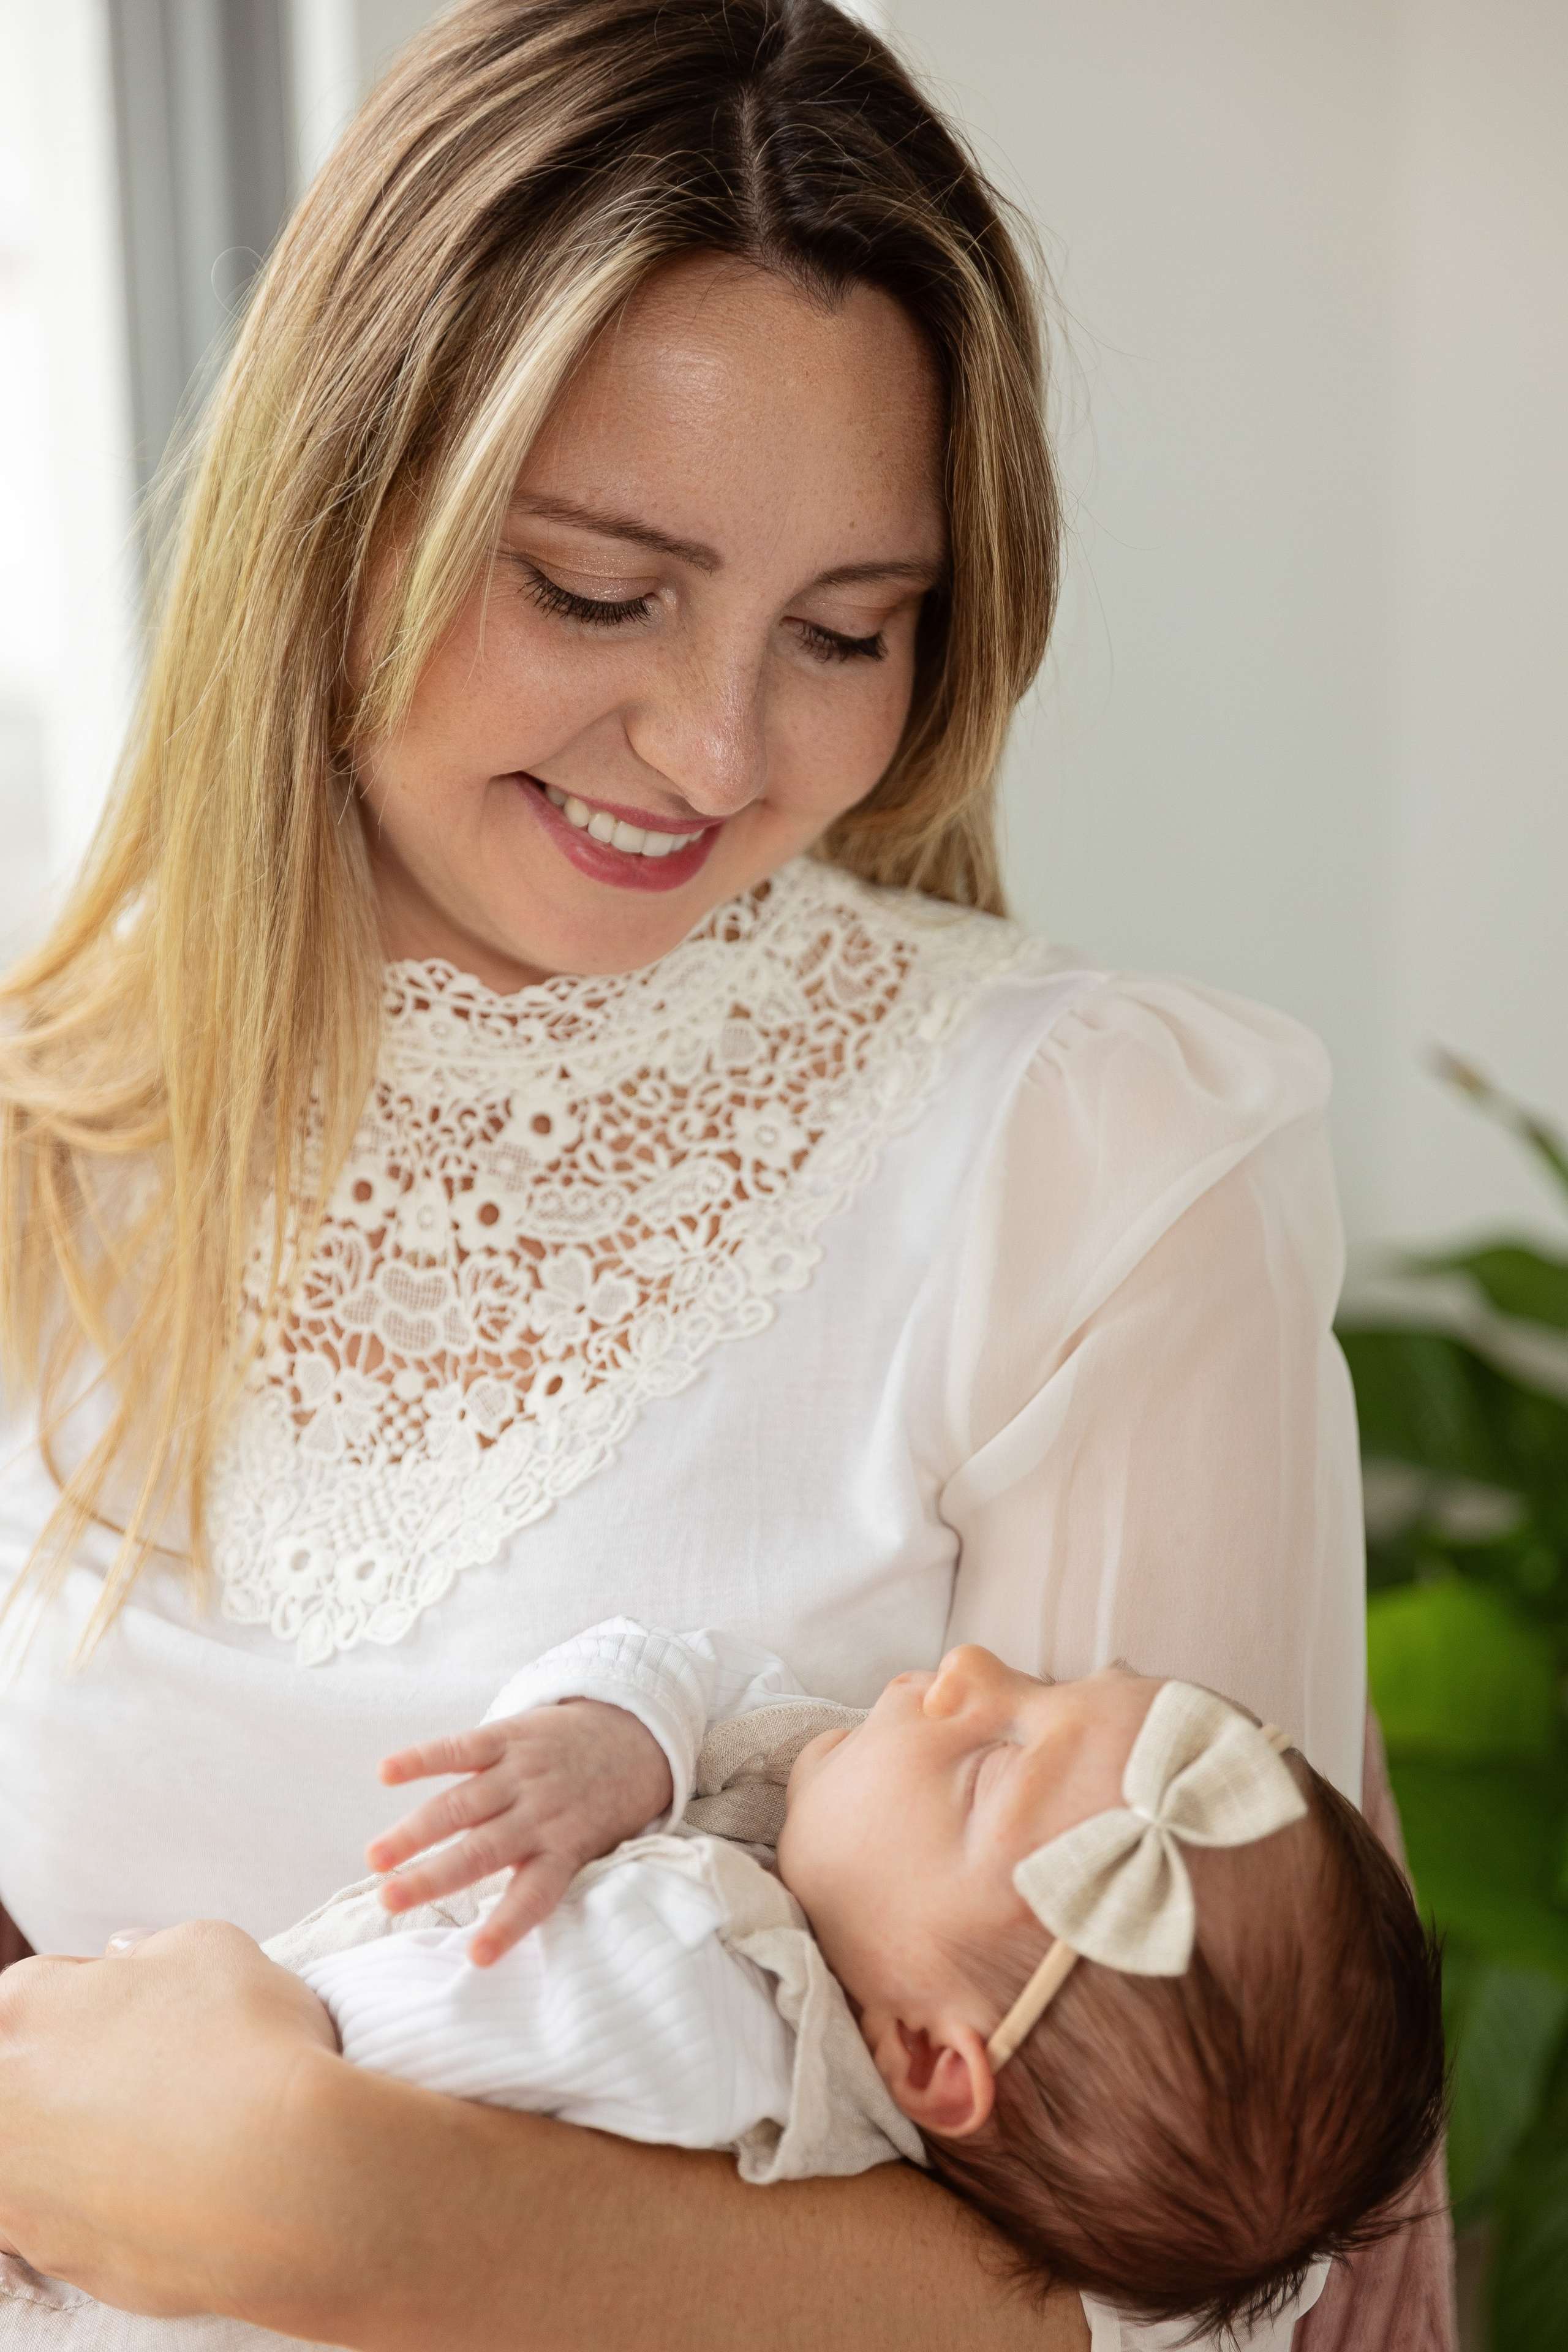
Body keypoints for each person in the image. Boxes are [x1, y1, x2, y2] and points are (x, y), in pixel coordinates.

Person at [0, 0, 1451, 2345]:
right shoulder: (42, 1135)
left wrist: (346, 2215)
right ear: (336, 505)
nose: (713, 750)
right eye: (596, 590)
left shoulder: (1105, 1159)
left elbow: (1207, 2282)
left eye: (846, 632)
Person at [0, 1624, 1447, 2348]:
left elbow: (328, 2078)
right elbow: (713, 1677)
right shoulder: (815, 1897)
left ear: (931, 2061)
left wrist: (199, 1994)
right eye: (1052, 1684)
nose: (966, 1668)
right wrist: (623, 1735)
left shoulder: (691, 2003)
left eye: (990, 1761)